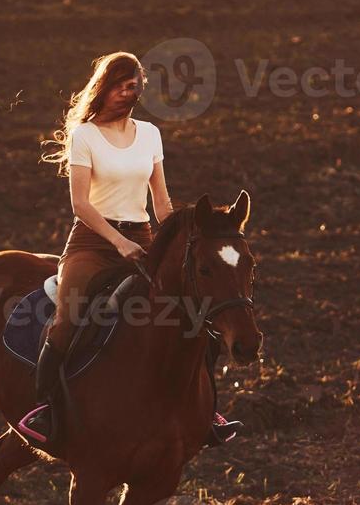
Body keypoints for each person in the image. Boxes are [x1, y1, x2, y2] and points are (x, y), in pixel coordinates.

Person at [16, 52, 242, 451]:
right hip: (92, 241)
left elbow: (162, 204)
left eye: (133, 86)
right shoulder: (84, 135)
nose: (127, 92)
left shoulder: (150, 134)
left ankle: (205, 413)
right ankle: (47, 411)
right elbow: (81, 205)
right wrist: (119, 243)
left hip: (143, 240)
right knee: (69, 319)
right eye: (120, 85)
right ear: (104, 86)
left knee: (194, 314)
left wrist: (183, 236)